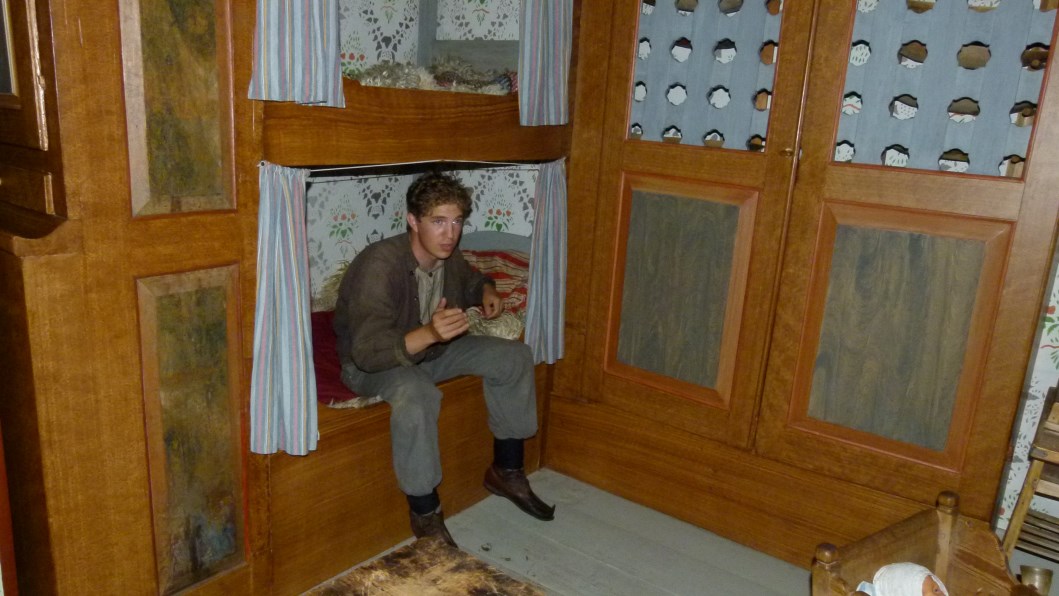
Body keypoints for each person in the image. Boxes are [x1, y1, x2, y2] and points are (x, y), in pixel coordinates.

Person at [333, 171, 554, 547]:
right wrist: (431, 333)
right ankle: (425, 512)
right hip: (376, 364)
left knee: (514, 357)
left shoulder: (447, 255)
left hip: (433, 352)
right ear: (413, 220)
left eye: (456, 221)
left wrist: (486, 292)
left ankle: (507, 470)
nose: (450, 233)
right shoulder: (379, 265)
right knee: (416, 393)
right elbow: (367, 353)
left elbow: (470, 279)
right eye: (438, 221)